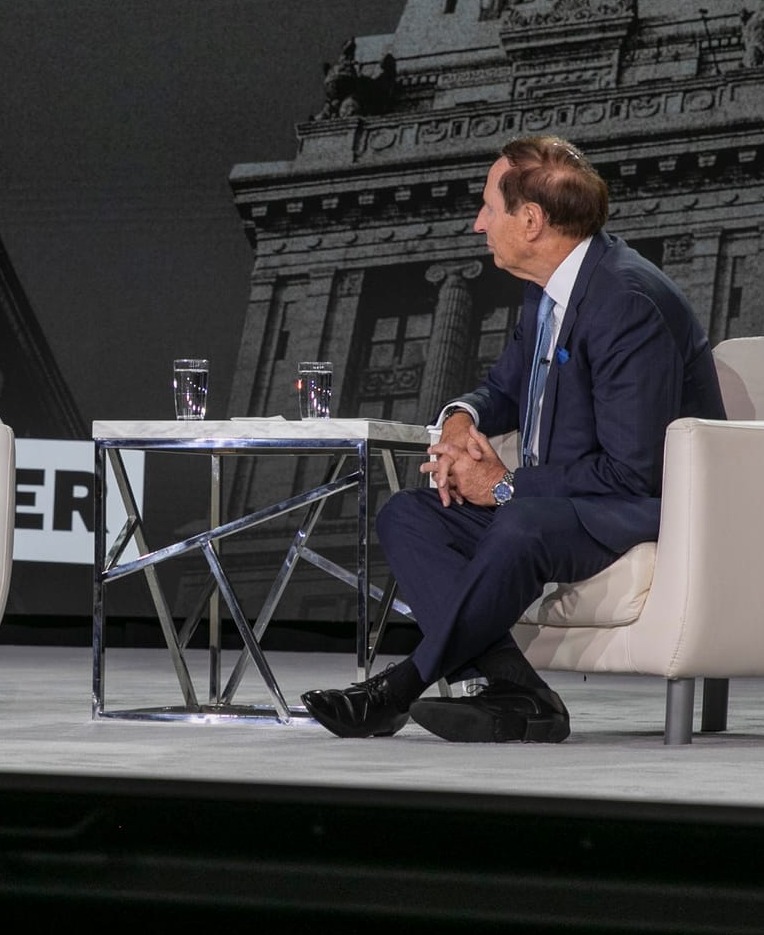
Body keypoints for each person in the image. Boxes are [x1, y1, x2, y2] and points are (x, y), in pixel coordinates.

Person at [304, 136, 724, 743]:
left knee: (520, 523)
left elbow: (633, 473)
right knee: (408, 515)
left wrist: (504, 487)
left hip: (635, 506)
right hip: (559, 502)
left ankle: (399, 689)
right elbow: (503, 387)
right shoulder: (548, 291)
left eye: (488, 208)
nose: (479, 224)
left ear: (530, 220)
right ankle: (521, 693)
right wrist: (460, 419)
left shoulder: (627, 302)